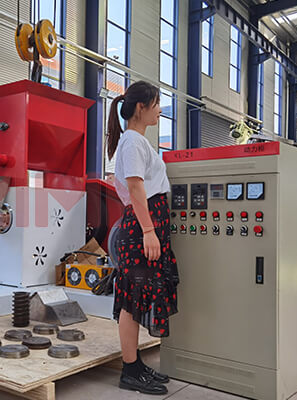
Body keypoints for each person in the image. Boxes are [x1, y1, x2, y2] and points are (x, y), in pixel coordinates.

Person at [108, 80, 179, 395]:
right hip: (141, 227)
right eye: (156, 104)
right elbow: (136, 187)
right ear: (141, 108)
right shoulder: (133, 142)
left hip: (144, 223)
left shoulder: (136, 142)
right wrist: (149, 231)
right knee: (131, 300)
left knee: (135, 299)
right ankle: (129, 369)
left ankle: (134, 364)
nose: (160, 110)